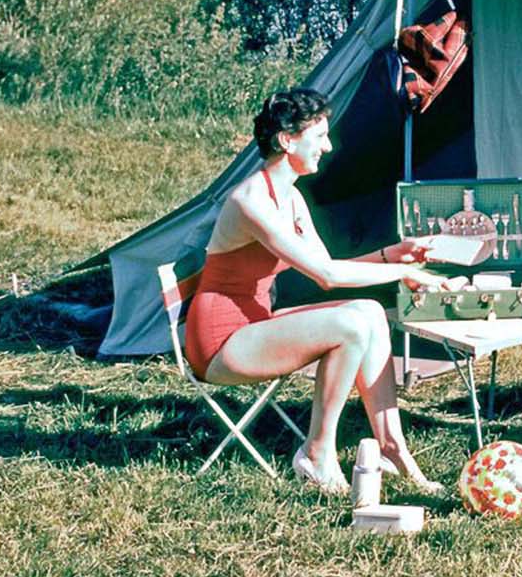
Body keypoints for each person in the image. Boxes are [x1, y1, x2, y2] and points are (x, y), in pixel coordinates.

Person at [184, 88, 454, 494]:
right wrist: (404, 272)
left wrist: (391, 256)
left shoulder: (290, 197)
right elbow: (326, 276)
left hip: (254, 325)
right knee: (349, 326)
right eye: (319, 136)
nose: (327, 147)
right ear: (287, 140)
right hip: (221, 345)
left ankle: (392, 446)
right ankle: (316, 454)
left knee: (368, 312)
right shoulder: (251, 201)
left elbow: (324, 267)